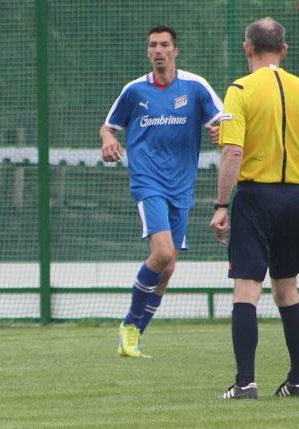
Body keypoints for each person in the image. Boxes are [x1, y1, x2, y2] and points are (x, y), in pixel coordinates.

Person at [210, 18, 299, 399]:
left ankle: (245, 382)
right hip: (295, 198)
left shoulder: (240, 89)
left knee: (247, 288)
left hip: (255, 198)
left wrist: (220, 204)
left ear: (248, 48)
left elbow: (233, 151)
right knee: (287, 290)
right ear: (285, 49)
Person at [100, 25, 222, 358]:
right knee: (163, 253)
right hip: (147, 181)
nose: (158, 50)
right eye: (152, 44)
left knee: (167, 269)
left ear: (175, 51)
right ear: (148, 51)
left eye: (164, 45)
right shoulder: (135, 91)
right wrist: (109, 140)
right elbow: (108, 126)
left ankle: (136, 335)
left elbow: (224, 123)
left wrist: (221, 132)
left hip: (182, 186)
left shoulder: (195, 88)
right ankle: (128, 323)